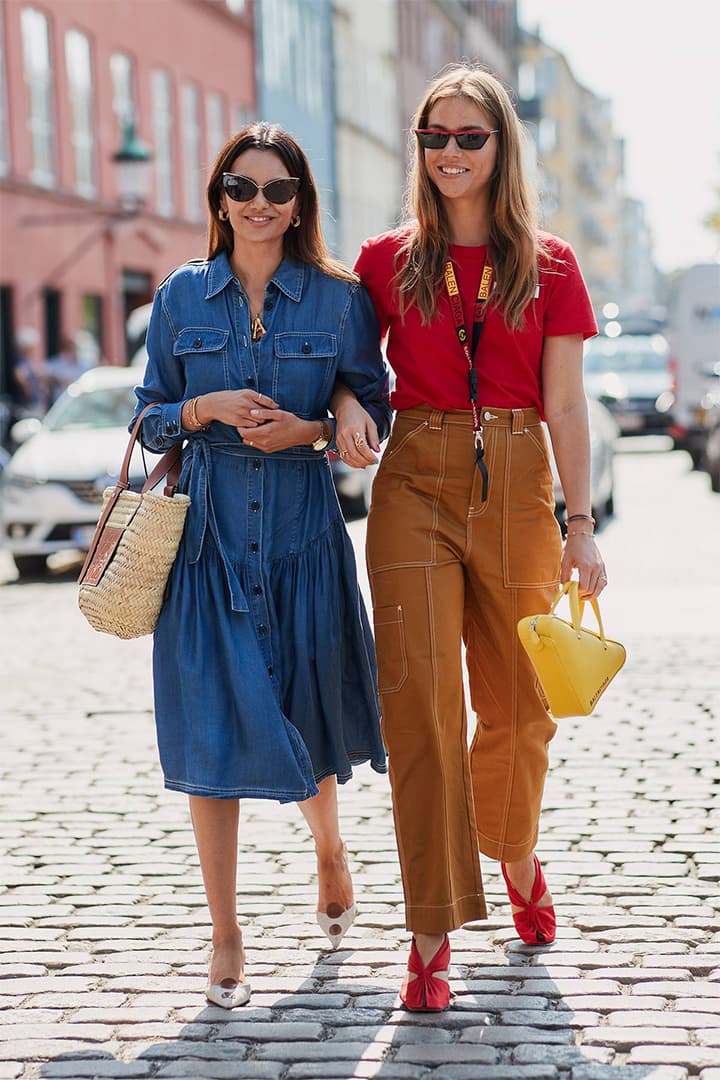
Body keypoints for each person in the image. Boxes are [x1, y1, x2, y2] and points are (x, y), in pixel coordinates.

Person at [344, 63, 606, 1010]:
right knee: (420, 707)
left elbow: (568, 404)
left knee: (524, 703)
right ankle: (429, 929)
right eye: (435, 138)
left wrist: (581, 526)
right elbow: (348, 367)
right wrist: (343, 402)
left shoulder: (552, 263)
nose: (451, 153)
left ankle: (515, 847)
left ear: (501, 145)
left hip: (518, 475)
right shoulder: (383, 260)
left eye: (470, 137)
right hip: (414, 474)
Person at [132, 122, 391, 1009]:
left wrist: (314, 428)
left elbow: (371, 413)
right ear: (218, 199)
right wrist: (197, 405)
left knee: (307, 722)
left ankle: (328, 845)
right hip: (205, 552)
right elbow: (148, 419)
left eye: (277, 190)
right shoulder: (178, 300)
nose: (258, 204)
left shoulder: (338, 299)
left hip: (303, 543)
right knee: (213, 733)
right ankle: (227, 932)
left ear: (299, 202)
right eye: (241, 188)